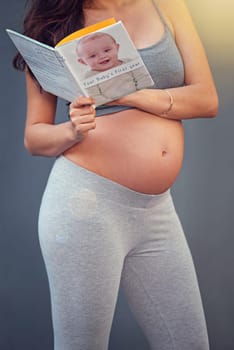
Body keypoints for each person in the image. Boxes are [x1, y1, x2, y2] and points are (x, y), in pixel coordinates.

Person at [13, 0, 218, 349]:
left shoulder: (167, 4)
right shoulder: (55, 25)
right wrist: (71, 132)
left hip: (156, 211)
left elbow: (207, 99)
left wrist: (135, 94)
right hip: (86, 206)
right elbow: (34, 137)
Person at [76, 31, 153, 105]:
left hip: (141, 98)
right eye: (93, 56)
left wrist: (139, 94)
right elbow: (94, 96)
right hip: (113, 105)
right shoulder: (89, 77)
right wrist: (116, 103)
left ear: (117, 48)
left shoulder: (129, 63)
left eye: (107, 50)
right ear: (82, 62)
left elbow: (143, 78)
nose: (102, 56)